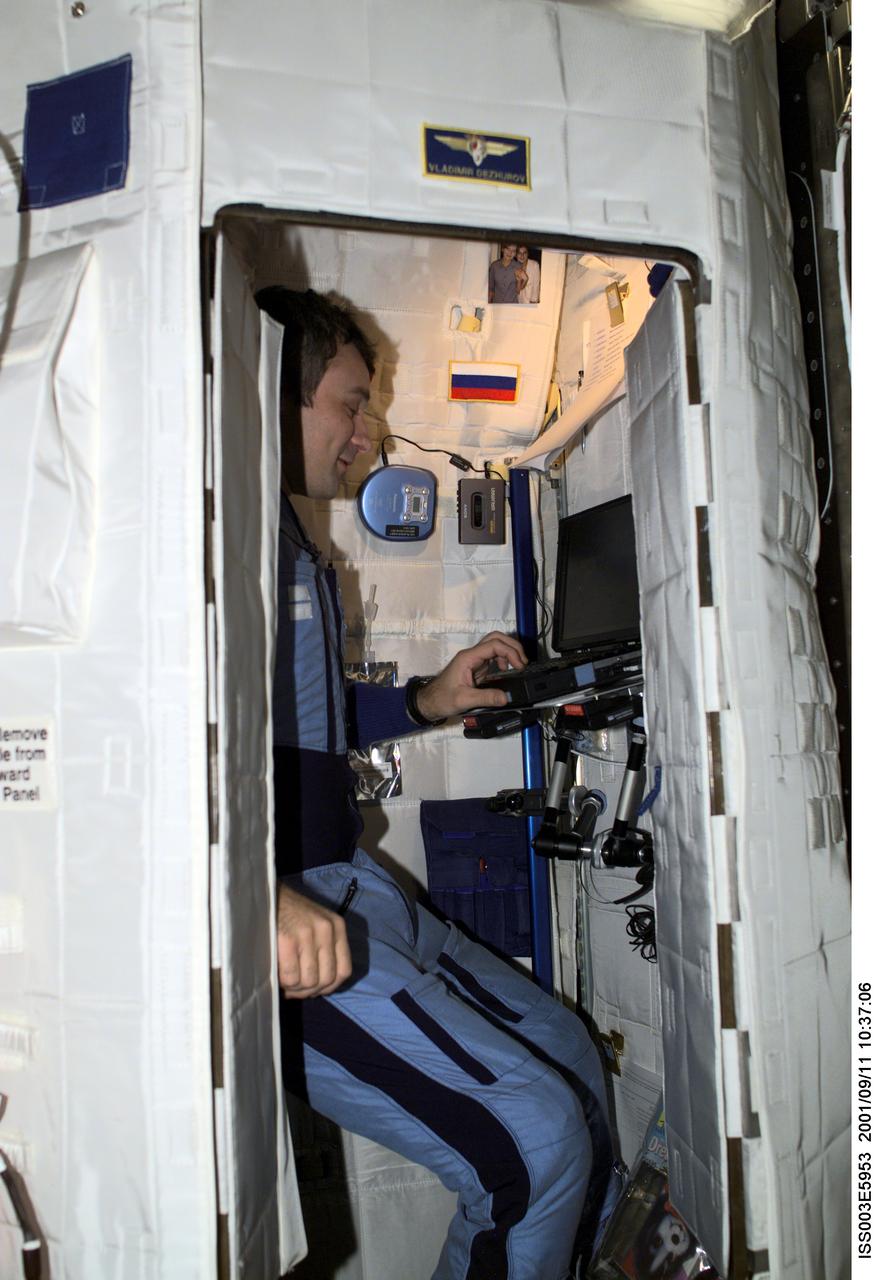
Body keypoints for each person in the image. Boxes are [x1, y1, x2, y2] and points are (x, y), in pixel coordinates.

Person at [256, 286, 619, 1280]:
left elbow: (300, 729)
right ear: (268, 396)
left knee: (574, 1064)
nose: (367, 431)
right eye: (350, 402)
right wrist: (247, 897)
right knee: (536, 1142)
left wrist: (430, 697)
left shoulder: (281, 539)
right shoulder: (204, 544)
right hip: (287, 930)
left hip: (351, 886)